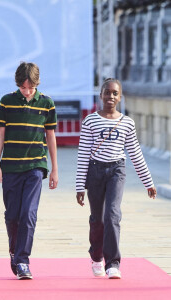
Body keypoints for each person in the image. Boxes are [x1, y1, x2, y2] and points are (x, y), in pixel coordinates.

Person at [75, 78, 157, 279]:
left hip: (116, 171)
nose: (110, 96)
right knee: (98, 219)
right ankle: (96, 258)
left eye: (115, 93)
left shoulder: (127, 122)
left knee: (112, 214)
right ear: (100, 95)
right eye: (107, 92)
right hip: (95, 172)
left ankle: (113, 263)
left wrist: (148, 183)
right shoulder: (91, 121)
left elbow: (135, 153)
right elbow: (83, 154)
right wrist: (79, 186)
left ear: (120, 97)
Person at [0, 62, 58, 280]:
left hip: (35, 167)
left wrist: (54, 169)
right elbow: (0, 134)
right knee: (13, 216)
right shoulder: (7, 101)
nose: (27, 92)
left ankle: (22, 261)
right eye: (23, 88)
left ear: (37, 84)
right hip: (10, 166)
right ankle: (14, 251)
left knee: (28, 214)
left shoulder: (47, 103)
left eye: (30, 88)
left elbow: (50, 136)